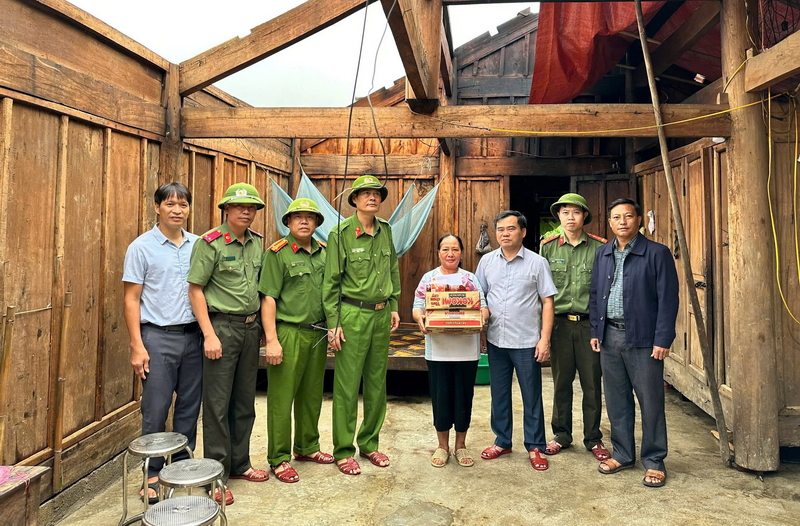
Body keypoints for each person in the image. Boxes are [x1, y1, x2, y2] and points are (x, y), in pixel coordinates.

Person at [187, 183, 268, 505]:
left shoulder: (257, 243)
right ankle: (216, 476)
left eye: (251, 207)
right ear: (227, 209)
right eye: (239, 207)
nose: (246, 211)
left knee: (244, 401)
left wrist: (262, 326)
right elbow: (195, 289)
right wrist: (208, 334)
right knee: (218, 406)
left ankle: (240, 464)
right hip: (221, 327)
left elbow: (260, 290)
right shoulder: (210, 243)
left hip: (250, 328)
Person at [589, 198, 679, 488]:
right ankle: (624, 454)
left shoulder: (657, 253)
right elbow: (595, 295)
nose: (623, 221)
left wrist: (663, 339)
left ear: (639, 220)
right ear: (610, 223)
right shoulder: (603, 253)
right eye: (617, 217)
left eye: (628, 216)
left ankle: (654, 460)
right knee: (616, 400)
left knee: (651, 401)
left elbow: (668, 300)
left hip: (643, 338)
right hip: (610, 336)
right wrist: (595, 331)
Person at [122, 182, 201, 504]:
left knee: (189, 407)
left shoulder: (199, 245)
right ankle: (152, 472)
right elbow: (131, 298)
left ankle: (181, 467)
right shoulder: (141, 247)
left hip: (194, 336)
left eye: (183, 204)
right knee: (155, 409)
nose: (177, 210)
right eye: (170, 204)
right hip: (157, 337)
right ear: (157, 207)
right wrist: (137, 345)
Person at [323, 175, 401, 476]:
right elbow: (331, 283)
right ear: (354, 200)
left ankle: (369, 443)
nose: (372, 198)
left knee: (377, 382)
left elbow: (392, 268)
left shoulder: (386, 230)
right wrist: (334, 323)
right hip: (352, 315)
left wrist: (394, 304)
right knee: (346, 385)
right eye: (365, 194)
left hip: (381, 316)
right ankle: (343, 449)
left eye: (377, 194)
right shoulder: (340, 233)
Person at [259, 198, 334, 483]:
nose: (304, 221)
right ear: (288, 223)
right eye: (297, 217)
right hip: (288, 332)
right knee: (281, 398)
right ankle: (279, 458)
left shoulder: (326, 253)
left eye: (310, 217)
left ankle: (307, 447)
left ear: (316, 224)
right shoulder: (278, 253)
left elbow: (331, 295)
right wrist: (272, 340)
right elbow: (268, 298)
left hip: (317, 333)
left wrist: (331, 328)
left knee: (312, 394)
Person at [476, 210, 557, 471]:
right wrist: (481, 332)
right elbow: (480, 297)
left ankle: (535, 445)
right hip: (497, 340)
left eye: (511, 229)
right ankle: (502, 441)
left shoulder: (537, 262)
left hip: (526, 341)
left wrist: (544, 340)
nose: (505, 234)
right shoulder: (487, 262)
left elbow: (547, 302)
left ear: (522, 232)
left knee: (531, 395)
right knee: (499, 394)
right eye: (500, 229)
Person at [539, 193, 610, 462]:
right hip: (558, 325)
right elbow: (541, 293)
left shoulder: (600, 248)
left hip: (588, 325)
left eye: (576, 212)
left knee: (592, 383)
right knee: (561, 382)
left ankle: (593, 438)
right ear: (558, 216)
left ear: (584, 217)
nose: (570, 217)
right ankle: (561, 435)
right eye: (565, 212)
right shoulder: (547, 247)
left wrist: (600, 329)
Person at [412, 235, 489, 468]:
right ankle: (442, 446)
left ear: (462, 253)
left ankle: (461, 446)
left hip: (467, 349)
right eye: (445, 249)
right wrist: (421, 319)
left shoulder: (470, 278)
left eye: (455, 249)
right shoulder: (429, 278)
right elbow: (418, 307)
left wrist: (480, 320)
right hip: (438, 350)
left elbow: (483, 307)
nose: (450, 253)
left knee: (464, 397)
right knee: (441, 397)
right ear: (438, 253)